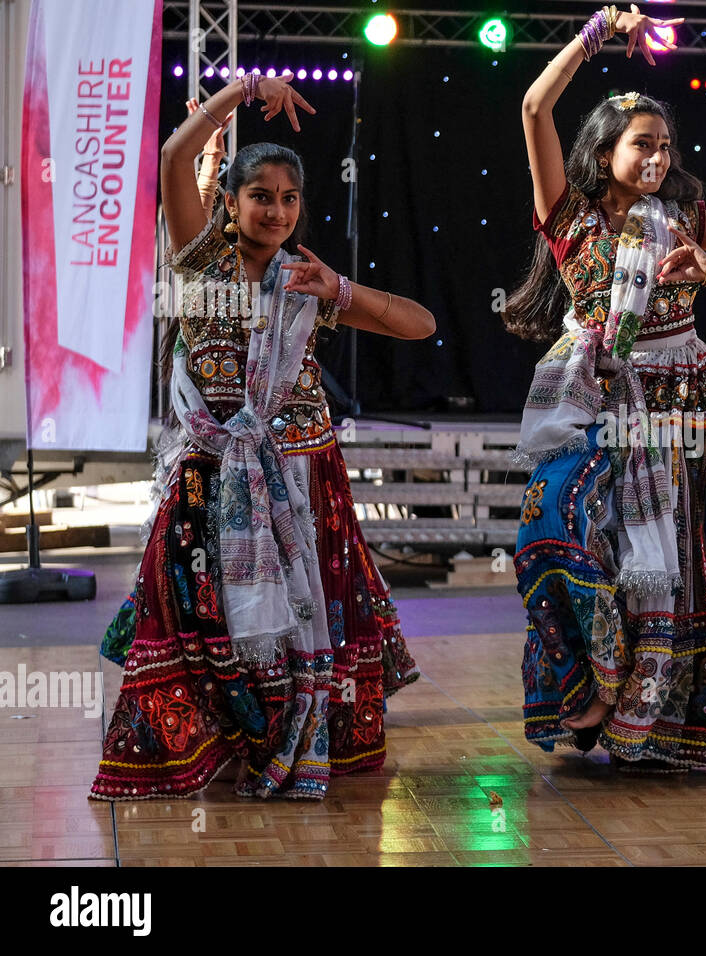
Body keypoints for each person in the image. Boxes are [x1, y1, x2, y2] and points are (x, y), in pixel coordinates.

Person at [91, 73, 437, 800]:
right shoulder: (198, 260)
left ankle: (291, 738)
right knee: (201, 606)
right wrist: (243, 89)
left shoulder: (305, 277)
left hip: (306, 472)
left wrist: (341, 290)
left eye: (289, 198)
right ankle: (215, 741)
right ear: (228, 201)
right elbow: (169, 158)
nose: (276, 210)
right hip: (210, 472)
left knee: (300, 619)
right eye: (260, 196)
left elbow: (419, 324)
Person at [504, 5, 706, 773]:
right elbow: (537, 105)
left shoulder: (685, 219)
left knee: (674, 562)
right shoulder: (566, 220)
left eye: (666, 148)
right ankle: (593, 674)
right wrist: (596, 30)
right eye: (643, 145)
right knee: (554, 528)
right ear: (604, 152)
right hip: (600, 404)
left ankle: (649, 714)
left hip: (687, 409)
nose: (657, 159)